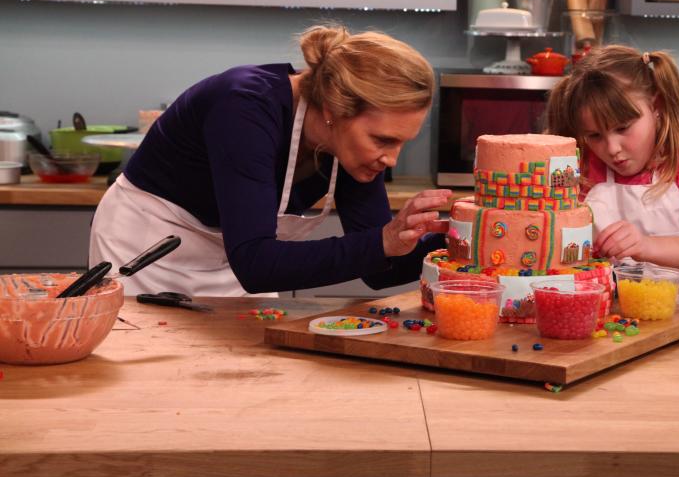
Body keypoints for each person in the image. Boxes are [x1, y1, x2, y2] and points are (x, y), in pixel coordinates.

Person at [90, 25, 451, 297]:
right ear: (333, 109)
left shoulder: (350, 146)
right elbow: (257, 266)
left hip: (241, 261)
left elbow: (379, 272)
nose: (390, 160)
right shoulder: (243, 106)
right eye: (383, 140)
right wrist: (383, 242)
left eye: (403, 142)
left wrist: (461, 237)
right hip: (148, 248)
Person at [546, 46, 679, 290]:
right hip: (615, 316)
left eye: (623, 128)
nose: (612, 148)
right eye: (595, 135)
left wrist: (646, 246)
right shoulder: (584, 166)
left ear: (656, 106)